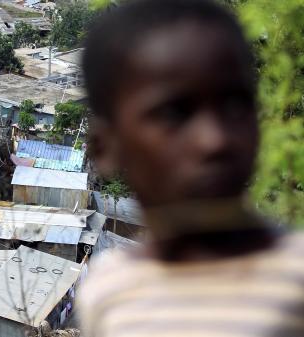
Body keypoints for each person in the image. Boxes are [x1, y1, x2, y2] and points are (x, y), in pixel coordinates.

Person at [78, 0, 304, 336]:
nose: (215, 140)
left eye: (235, 105)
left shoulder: (295, 276)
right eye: (174, 114)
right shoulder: (108, 291)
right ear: (106, 147)